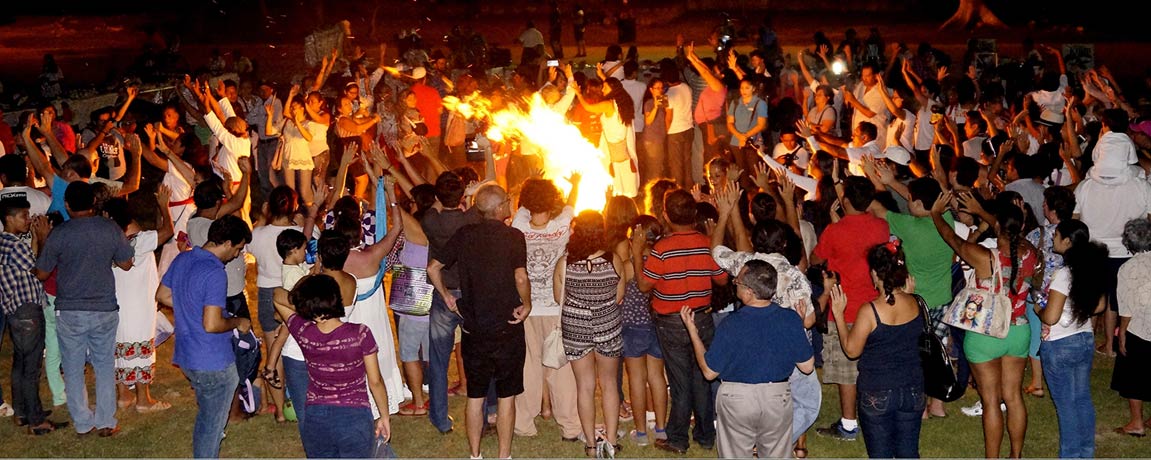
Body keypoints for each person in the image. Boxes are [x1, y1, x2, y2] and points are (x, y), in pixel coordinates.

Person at [428, 183, 531, 460]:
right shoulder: (514, 236)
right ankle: (504, 455)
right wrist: (527, 303)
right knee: (506, 396)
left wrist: (448, 297)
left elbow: (433, 267)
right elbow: (520, 277)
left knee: (475, 396)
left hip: (473, 327)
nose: (509, 203)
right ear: (499, 208)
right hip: (507, 325)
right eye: (507, 200)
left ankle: (475, 455)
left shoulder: (465, 235)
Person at [930, 191, 1037, 458]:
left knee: (990, 402)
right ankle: (1016, 455)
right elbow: (1010, 231)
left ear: (997, 225)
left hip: (985, 333)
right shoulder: (1030, 252)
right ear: (1022, 226)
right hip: (1019, 330)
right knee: (1013, 397)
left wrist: (936, 214)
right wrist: (983, 212)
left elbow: (951, 238)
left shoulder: (983, 256)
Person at [681, 260, 815, 458]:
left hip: (737, 400)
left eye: (738, 281)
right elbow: (807, 367)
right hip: (777, 398)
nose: (734, 282)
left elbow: (709, 372)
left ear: (750, 292)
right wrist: (797, 326)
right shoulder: (790, 318)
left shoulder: (731, 324)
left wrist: (693, 332)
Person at [33, 181, 134, 437]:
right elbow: (126, 263)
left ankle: (82, 422)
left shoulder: (60, 233)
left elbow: (42, 273)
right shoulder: (110, 228)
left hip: (70, 310)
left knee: (73, 367)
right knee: (104, 365)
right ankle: (106, 420)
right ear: (94, 203)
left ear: (67, 205)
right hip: (104, 308)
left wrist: (42, 241)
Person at [634, 189, 728, 454]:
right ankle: (705, 435)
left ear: (665, 215)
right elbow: (722, 279)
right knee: (702, 377)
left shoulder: (662, 249)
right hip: (701, 317)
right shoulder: (705, 243)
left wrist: (636, 252)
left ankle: (677, 438)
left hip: (671, 321)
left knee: (680, 381)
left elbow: (644, 285)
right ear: (694, 213)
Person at [157, 215, 252, 458]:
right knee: (211, 425)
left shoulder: (184, 258)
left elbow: (163, 295)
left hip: (187, 355)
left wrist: (191, 309)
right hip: (212, 361)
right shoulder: (214, 272)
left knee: (207, 417)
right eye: (238, 249)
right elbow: (212, 324)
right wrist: (238, 321)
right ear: (227, 243)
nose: (237, 255)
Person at [272, 274, 392, 458]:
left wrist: (308, 308)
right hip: (355, 417)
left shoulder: (305, 333)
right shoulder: (360, 334)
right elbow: (375, 382)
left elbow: (277, 296)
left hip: (316, 416)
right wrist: (384, 416)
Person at [810, 176, 890, 441]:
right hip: (875, 309)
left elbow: (816, 257)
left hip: (842, 309)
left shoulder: (835, 231)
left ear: (844, 200)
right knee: (872, 366)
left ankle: (848, 424)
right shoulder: (881, 226)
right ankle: (875, 415)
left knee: (846, 371)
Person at [829, 242, 926, 458]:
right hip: (913, 389)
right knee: (909, 453)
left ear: (874, 274)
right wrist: (908, 293)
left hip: (877, 390)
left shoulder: (870, 311)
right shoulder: (915, 302)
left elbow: (852, 351)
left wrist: (838, 315)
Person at [510, 177, 582, 441]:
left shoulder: (518, 226)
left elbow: (518, 207)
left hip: (526, 308)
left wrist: (525, 186)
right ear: (552, 202)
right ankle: (570, 426)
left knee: (528, 366)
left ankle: (524, 424)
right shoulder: (561, 227)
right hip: (555, 309)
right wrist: (575, 184)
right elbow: (571, 206)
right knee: (561, 368)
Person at [1038, 219, 1108, 457]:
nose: (1053, 238)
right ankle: (1086, 453)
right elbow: (1100, 306)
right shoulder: (1092, 269)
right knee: (1082, 399)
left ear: (1067, 241)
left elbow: (1051, 317)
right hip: (1084, 338)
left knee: (1066, 405)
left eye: (1056, 234)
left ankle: (1069, 455)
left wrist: (1038, 309)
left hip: (1060, 344)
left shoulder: (1063, 274)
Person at [558, 210, 626, 456]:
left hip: (576, 326)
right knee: (609, 384)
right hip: (607, 324)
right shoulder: (613, 260)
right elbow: (619, 296)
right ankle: (611, 441)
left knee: (584, 386)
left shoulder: (565, 262)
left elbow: (558, 296)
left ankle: (590, 444)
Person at [0, 197, 65, 434]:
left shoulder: (5, 243)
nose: (28, 220)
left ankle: (22, 412)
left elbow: (31, 264)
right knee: (31, 367)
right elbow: (41, 271)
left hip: (15, 310)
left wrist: (37, 240)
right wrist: (44, 237)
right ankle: (36, 421)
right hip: (27, 310)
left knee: (20, 363)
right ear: (9, 219)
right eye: (23, 216)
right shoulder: (16, 246)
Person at [107, 189, 174, 414]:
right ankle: (143, 400)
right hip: (139, 306)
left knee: (120, 347)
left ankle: (123, 396)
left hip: (116, 305)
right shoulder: (140, 242)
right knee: (141, 347)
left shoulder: (107, 244)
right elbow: (168, 231)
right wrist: (163, 205)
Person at [1114, 217, 1151, 436]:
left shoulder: (1128, 268)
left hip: (1140, 328)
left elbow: (1126, 307)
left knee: (1134, 375)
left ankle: (1137, 422)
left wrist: (1122, 333)